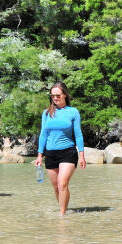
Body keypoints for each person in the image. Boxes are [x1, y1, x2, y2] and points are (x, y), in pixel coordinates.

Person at [35, 82, 86, 215]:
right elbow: (43, 134)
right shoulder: (47, 113)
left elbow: (78, 134)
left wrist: (81, 155)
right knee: (56, 187)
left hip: (68, 152)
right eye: (52, 96)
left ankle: (62, 215)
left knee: (62, 183)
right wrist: (40, 155)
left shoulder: (73, 112)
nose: (55, 98)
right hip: (51, 153)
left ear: (65, 95)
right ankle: (65, 209)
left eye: (58, 95)